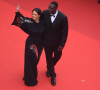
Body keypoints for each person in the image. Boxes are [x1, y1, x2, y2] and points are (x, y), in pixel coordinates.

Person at [12, 5, 45, 86]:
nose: (33, 16)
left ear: (39, 16)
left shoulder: (43, 23)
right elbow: (22, 19)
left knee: (35, 61)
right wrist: (17, 12)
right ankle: (30, 80)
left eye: (35, 15)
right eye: (32, 14)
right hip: (30, 44)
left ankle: (29, 76)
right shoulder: (29, 21)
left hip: (40, 45)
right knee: (30, 61)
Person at [43, 1, 68, 86]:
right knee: (48, 58)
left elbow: (65, 32)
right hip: (47, 42)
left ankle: (49, 67)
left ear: (56, 9)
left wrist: (62, 45)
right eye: (48, 7)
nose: (49, 9)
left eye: (51, 8)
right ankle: (53, 75)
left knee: (58, 56)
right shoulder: (45, 13)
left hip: (57, 43)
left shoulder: (63, 17)